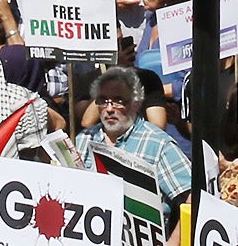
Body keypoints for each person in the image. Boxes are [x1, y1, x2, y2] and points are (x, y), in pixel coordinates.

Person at [72, 70, 192, 200]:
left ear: (136, 104)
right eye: (103, 100)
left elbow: (191, 198)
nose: (110, 108)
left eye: (119, 100)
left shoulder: (158, 145)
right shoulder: (83, 140)